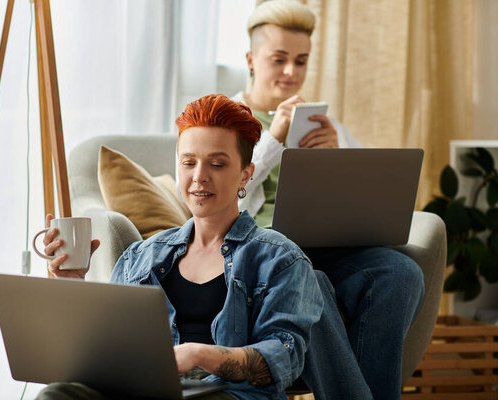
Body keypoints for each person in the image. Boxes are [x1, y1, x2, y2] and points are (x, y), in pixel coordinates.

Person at [36, 94, 332, 400]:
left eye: (217, 164)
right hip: (142, 391)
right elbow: (109, 349)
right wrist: (74, 288)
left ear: (246, 173)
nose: (199, 177)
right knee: (57, 394)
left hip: (228, 395)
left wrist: (200, 355)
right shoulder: (140, 257)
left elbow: (284, 357)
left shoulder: (280, 258)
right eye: (189, 162)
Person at [233, 1, 425, 399]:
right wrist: (273, 141)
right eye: (279, 59)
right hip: (266, 250)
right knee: (310, 282)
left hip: (327, 246)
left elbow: (372, 193)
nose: (291, 73)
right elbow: (224, 202)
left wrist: (337, 157)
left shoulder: (320, 123)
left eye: (301, 61)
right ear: (251, 59)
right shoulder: (227, 119)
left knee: (401, 273)